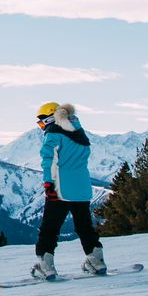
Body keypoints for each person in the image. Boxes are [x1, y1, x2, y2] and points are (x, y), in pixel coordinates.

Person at [31, 102, 106, 279]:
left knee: (49, 228)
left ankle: (45, 265)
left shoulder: (53, 134)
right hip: (81, 188)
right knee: (84, 226)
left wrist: (48, 184)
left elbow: (48, 160)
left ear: (50, 118)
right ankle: (96, 261)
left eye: (42, 122)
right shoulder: (79, 133)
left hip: (60, 188)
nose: (42, 127)